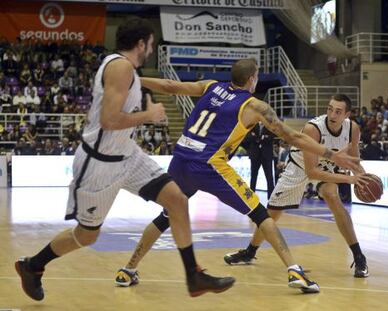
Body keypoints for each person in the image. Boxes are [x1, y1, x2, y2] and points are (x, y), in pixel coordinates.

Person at [14, 18, 235, 302]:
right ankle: (33, 265)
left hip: (127, 155)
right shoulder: (120, 67)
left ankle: (193, 276)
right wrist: (149, 115)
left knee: (177, 200)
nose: (152, 50)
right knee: (87, 235)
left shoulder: (128, 70)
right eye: (152, 44)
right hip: (100, 163)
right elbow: (109, 120)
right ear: (141, 43)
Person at [113, 59, 361, 293]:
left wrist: (134, 79)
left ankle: (128, 269)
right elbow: (293, 137)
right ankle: (295, 271)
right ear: (253, 79)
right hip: (210, 165)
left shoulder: (211, 86)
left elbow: (169, 86)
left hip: (180, 160)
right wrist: (331, 154)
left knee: (166, 217)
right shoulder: (254, 106)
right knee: (261, 215)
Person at [224, 94, 371, 278]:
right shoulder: (313, 129)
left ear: (347, 115)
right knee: (272, 213)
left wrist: (363, 178)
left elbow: (354, 162)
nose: (332, 114)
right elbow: (312, 172)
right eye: (330, 109)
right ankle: (250, 251)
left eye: (338, 111)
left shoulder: (353, 129)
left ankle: (359, 256)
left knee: (333, 197)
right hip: (300, 166)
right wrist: (350, 180)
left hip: (328, 165)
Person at [246, 122, 275, 198]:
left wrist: (260, 137)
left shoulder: (270, 125)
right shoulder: (252, 125)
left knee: (269, 177)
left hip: (266, 155)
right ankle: (251, 197)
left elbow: (272, 137)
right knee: (253, 177)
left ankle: (271, 198)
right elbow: (248, 137)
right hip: (255, 155)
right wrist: (261, 137)